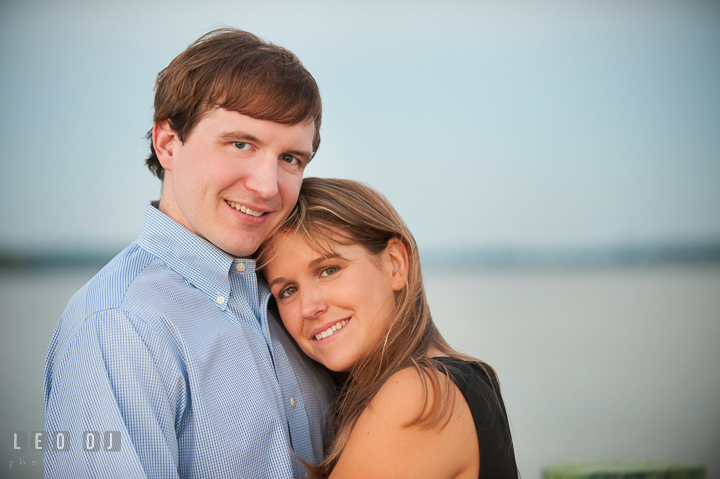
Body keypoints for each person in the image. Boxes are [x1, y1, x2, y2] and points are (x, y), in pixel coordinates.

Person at [43, 29, 335, 478]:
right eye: (241, 144)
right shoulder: (121, 327)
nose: (267, 185)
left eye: (291, 159)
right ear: (167, 144)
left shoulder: (297, 300)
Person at [258, 177, 519, 479]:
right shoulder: (458, 380)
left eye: (329, 270)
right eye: (288, 291)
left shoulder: (420, 395)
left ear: (395, 264)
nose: (308, 307)